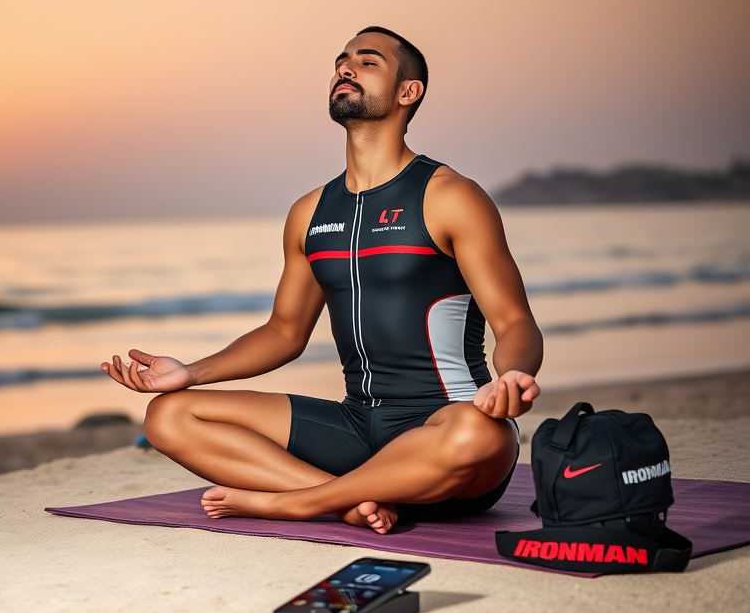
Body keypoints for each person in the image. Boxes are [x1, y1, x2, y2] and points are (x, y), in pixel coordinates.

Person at [102, 26, 542, 535]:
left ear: (408, 91)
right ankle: (345, 502)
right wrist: (191, 373)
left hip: (443, 428)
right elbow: (284, 333)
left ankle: (296, 502)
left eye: (367, 61)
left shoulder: (450, 196)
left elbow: (514, 322)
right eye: (341, 61)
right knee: (168, 417)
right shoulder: (309, 212)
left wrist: (512, 376)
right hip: (355, 428)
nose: (345, 68)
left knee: (479, 433)